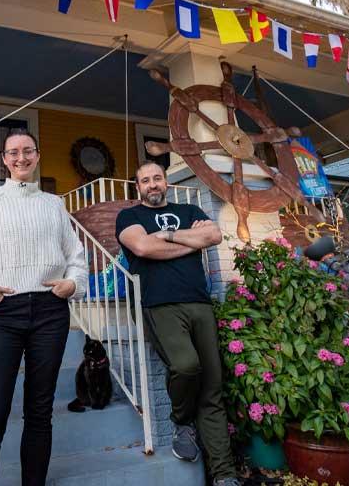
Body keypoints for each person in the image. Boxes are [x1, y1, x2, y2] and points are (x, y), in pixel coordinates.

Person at [0, 129, 88, 486]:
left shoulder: (54, 205)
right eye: (13, 152)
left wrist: (72, 283)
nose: (20, 158)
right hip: (2, 312)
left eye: (27, 151)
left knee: (39, 412)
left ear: (38, 155)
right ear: (4, 159)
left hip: (50, 312)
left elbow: (76, 257)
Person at [115, 161, 240, 486]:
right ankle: (181, 420)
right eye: (145, 180)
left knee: (212, 388)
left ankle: (225, 475)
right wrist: (190, 242)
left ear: (165, 182)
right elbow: (142, 246)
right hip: (160, 303)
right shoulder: (129, 217)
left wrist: (168, 236)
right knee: (186, 366)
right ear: (138, 187)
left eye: (157, 178)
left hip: (200, 302)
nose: (153, 184)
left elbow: (213, 234)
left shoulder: (188, 208)